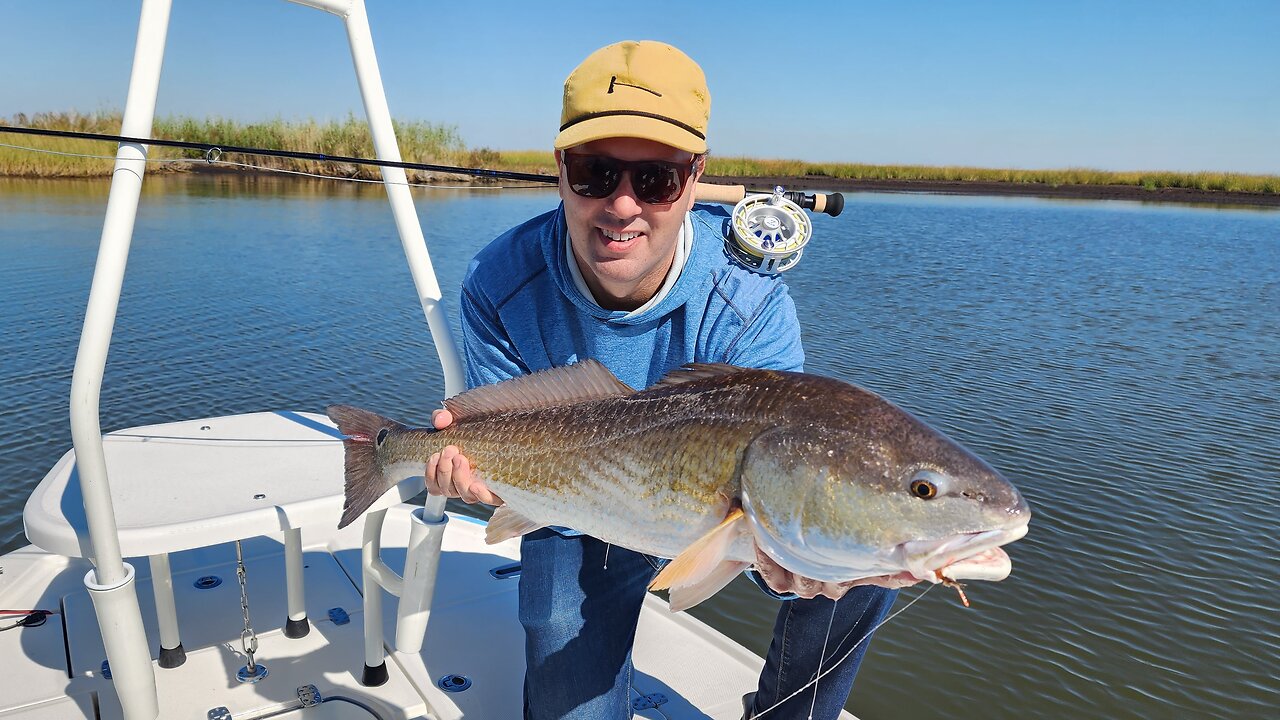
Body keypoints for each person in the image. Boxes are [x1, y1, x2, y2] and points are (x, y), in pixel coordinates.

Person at [424, 40, 898, 720]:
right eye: (594, 172)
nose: (622, 206)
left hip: (719, 509)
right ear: (559, 168)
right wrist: (470, 473)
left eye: (656, 180)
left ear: (695, 177)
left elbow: (785, 464)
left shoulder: (751, 300)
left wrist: (802, 558)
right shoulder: (498, 284)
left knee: (861, 559)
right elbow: (494, 442)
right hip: (577, 502)